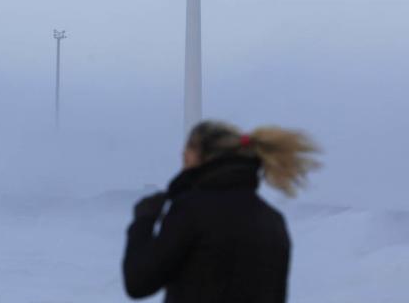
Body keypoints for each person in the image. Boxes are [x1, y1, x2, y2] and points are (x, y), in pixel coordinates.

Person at [122, 120, 320, 302]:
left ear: (204, 156)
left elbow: (138, 282)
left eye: (187, 152)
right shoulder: (273, 221)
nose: (182, 158)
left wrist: (143, 221)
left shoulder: (192, 211)